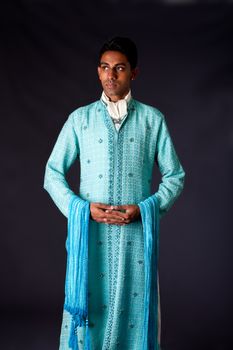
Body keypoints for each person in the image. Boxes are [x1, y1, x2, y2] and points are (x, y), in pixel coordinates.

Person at [44, 36, 185, 350]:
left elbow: (175, 177)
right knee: (90, 312)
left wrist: (144, 208)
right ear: (98, 72)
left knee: (133, 315)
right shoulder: (80, 120)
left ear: (133, 73)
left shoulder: (153, 120)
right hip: (90, 237)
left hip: (135, 239)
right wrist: (81, 209)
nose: (111, 75)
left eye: (119, 68)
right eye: (105, 68)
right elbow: (51, 174)